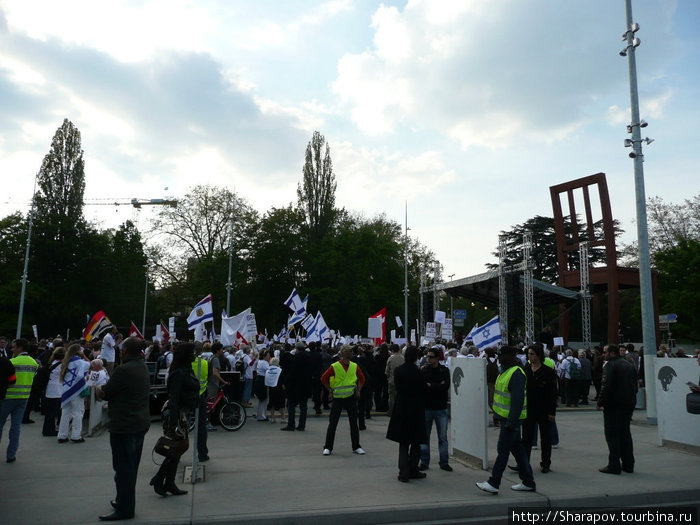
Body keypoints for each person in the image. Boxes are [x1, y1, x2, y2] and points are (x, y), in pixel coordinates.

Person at [96, 337, 151, 521]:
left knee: (123, 469)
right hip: (139, 423)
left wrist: (98, 389)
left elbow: (106, 393)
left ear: (125, 351)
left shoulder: (124, 370)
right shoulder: (142, 366)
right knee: (130, 467)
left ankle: (125, 509)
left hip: (124, 425)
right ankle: (123, 500)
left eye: (122, 349)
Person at [476, 345, 535, 494]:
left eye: (501, 355)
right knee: (518, 451)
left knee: (502, 451)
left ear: (510, 356)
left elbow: (517, 400)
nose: (499, 358)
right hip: (507, 419)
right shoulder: (506, 371)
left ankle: (494, 483)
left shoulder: (516, 373)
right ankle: (528, 482)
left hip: (511, 421)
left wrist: (511, 421)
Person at [150, 343, 199, 498]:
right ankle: (160, 479)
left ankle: (167, 482)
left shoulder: (185, 370)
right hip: (176, 413)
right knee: (180, 446)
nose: (194, 354)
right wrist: (173, 422)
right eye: (192, 352)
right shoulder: (179, 373)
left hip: (182, 412)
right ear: (186, 355)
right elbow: (175, 397)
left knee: (179, 447)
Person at [387, 346, 427, 482]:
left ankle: (403, 472)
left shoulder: (399, 371)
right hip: (416, 409)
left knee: (403, 442)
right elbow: (423, 390)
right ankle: (413, 469)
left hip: (402, 407)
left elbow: (397, 387)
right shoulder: (419, 373)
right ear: (416, 357)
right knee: (416, 442)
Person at [597, 344, 638, 475]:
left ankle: (614, 465)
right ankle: (628, 464)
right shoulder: (629, 365)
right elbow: (634, 385)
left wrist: (600, 401)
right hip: (628, 403)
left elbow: (606, 385)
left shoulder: (610, 365)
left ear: (612, 353)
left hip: (613, 404)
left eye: (605, 352)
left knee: (612, 435)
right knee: (625, 433)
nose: (603, 354)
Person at [321, 344, 365, 456]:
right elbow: (323, 378)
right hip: (338, 398)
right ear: (344, 352)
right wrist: (330, 390)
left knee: (354, 424)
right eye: (350, 351)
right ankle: (328, 447)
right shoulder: (335, 366)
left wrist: (358, 389)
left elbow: (362, 378)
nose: (352, 353)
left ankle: (356, 446)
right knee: (333, 424)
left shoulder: (354, 366)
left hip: (350, 397)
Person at [520, 344, 557, 473]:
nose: (529, 356)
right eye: (528, 354)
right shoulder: (526, 370)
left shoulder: (548, 372)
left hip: (544, 409)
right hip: (529, 409)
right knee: (526, 438)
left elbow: (553, 393)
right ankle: (524, 463)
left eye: (532, 354)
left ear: (539, 355)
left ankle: (546, 463)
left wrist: (552, 412)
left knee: (545, 438)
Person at [419, 347, 452, 472]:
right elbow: (423, 387)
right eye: (427, 356)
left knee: (442, 437)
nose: (428, 359)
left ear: (438, 358)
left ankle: (444, 462)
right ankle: (424, 461)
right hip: (427, 407)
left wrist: (431, 386)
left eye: (431, 357)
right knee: (424, 436)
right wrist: (437, 386)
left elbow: (446, 386)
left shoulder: (444, 371)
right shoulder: (423, 371)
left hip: (440, 408)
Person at [57, 344, 91, 443]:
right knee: (78, 413)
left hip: (66, 390)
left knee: (65, 413)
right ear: (78, 351)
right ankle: (76, 436)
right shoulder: (80, 362)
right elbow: (90, 364)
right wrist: (83, 355)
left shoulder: (65, 362)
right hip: (76, 390)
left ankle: (62, 435)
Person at [281, 342, 312, 432]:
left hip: (295, 385)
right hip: (306, 385)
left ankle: (291, 424)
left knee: (291, 405)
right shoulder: (308, 357)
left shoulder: (296, 357)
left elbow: (292, 372)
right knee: (303, 406)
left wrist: (285, 382)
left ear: (296, 348)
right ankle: (302, 425)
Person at [42, 346, 65, 437]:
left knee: (50, 412)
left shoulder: (52, 363)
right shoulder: (61, 365)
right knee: (52, 412)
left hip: (50, 389)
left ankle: (48, 429)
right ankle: (48, 431)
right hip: (57, 390)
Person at [385, 344, 404, 416]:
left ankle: (391, 411)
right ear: (399, 349)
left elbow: (387, 371)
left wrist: (388, 377)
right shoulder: (403, 358)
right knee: (400, 396)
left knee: (392, 397)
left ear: (392, 350)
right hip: (402, 380)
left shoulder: (390, 358)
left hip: (392, 380)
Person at [254, 349, 270, 421]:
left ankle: (261, 415)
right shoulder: (264, 362)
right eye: (268, 355)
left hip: (260, 380)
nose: (269, 357)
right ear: (264, 356)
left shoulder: (260, 361)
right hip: (262, 381)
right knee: (263, 399)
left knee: (262, 399)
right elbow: (269, 370)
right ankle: (261, 416)